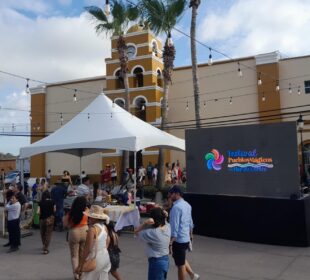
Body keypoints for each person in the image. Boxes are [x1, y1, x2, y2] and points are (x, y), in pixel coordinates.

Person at [169, 185, 199, 280]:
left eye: (172, 193)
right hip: (185, 238)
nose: (170, 195)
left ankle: (192, 275)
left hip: (178, 240)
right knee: (181, 259)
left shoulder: (176, 208)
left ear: (177, 194)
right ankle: (193, 275)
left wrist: (170, 242)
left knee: (180, 265)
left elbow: (174, 226)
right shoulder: (187, 205)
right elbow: (191, 222)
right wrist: (191, 235)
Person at [76, 205, 111, 280]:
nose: (89, 218)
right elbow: (107, 240)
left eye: (90, 216)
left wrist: (81, 264)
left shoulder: (92, 230)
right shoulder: (104, 227)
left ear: (94, 218)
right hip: (105, 256)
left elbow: (87, 248)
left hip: (95, 258)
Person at [135, 207, 171, 280]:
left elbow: (136, 231)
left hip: (156, 262)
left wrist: (145, 223)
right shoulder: (168, 226)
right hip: (165, 260)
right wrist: (165, 216)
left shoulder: (153, 233)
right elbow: (165, 221)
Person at [63, 196, 88, 280]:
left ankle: (76, 275)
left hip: (74, 232)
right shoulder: (87, 211)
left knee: (74, 255)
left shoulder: (71, 212)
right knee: (82, 254)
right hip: (85, 231)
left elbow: (65, 224)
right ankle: (81, 273)